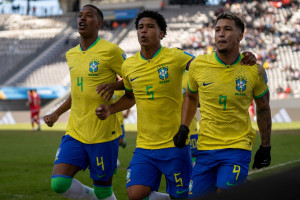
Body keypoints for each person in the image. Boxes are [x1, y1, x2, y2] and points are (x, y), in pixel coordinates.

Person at [95, 10, 256, 200]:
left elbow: (208, 66)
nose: (143, 31)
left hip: (175, 144)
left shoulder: (175, 57)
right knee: (135, 194)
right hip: (145, 146)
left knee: (182, 196)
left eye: (149, 27)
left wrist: (243, 59)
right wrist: (111, 108)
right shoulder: (129, 66)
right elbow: (131, 95)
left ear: (161, 33)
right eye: (140, 28)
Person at [174, 13, 272, 199]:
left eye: (227, 29)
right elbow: (191, 96)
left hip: (238, 147)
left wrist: (265, 146)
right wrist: (183, 128)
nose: (221, 34)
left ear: (240, 36)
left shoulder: (254, 70)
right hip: (206, 148)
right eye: (217, 29)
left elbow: (263, 107)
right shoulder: (199, 65)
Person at [43, 4, 126, 200]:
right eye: (80, 15)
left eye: (88, 16)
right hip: (76, 130)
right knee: (59, 183)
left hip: (103, 133)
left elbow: (134, 82)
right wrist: (57, 113)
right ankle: (92, 197)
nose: (82, 18)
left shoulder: (111, 51)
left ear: (99, 23)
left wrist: (114, 87)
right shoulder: (71, 54)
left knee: (104, 190)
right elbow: (77, 91)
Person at [182, 71, 199, 167]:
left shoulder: (190, 75)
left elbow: (198, 100)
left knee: (193, 164)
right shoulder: (166, 76)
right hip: (170, 131)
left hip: (190, 129)